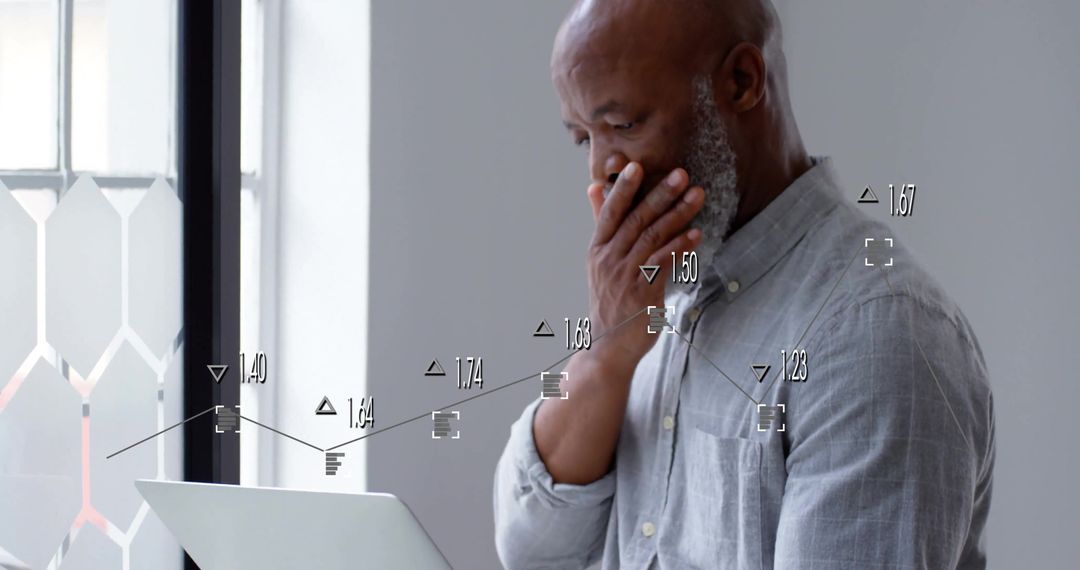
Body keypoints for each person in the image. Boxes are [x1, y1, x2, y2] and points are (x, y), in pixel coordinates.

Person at [493, 0, 995, 568]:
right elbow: (529, 551)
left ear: (740, 81)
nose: (601, 170)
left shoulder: (875, 332)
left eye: (623, 125)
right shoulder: (654, 297)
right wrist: (607, 356)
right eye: (584, 138)